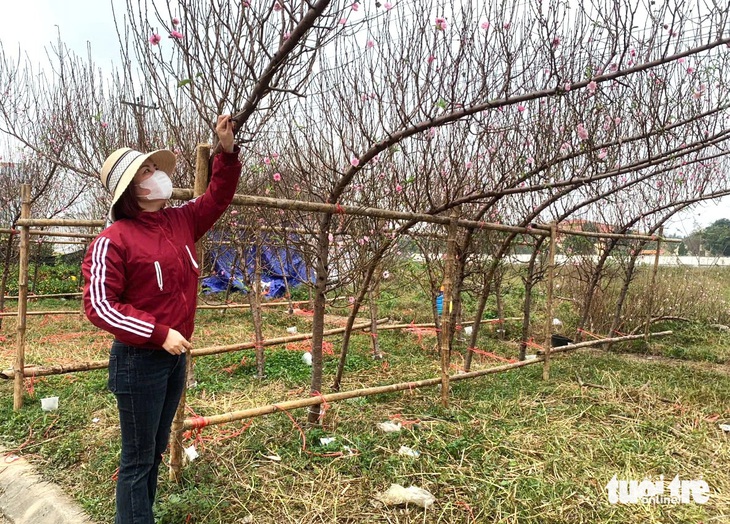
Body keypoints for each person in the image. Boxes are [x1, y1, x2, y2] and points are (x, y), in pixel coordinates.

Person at [82, 115, 241, 524]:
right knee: (137, 458)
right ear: (131, 190)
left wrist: (226, 152)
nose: (156, 175)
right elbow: (99, 305)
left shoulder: (179, 221)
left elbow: (216, 199)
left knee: (152, 450)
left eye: (154, 168)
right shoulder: (112, 240)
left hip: (174, 356)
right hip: (139, 362)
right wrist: (157, 332)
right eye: (146, 172)